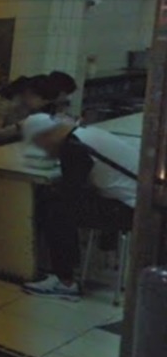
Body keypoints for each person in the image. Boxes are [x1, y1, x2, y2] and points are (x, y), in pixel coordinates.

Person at [21, 113, 138, 299]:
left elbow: (71, 192)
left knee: (56, 209)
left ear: (46, 136)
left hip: (129, 209)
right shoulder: (86, 134)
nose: (43, 149)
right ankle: (70, 267)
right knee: (58, 202)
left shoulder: (74, 147)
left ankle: (65, 282)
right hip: (137, 201)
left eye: (40, 144)